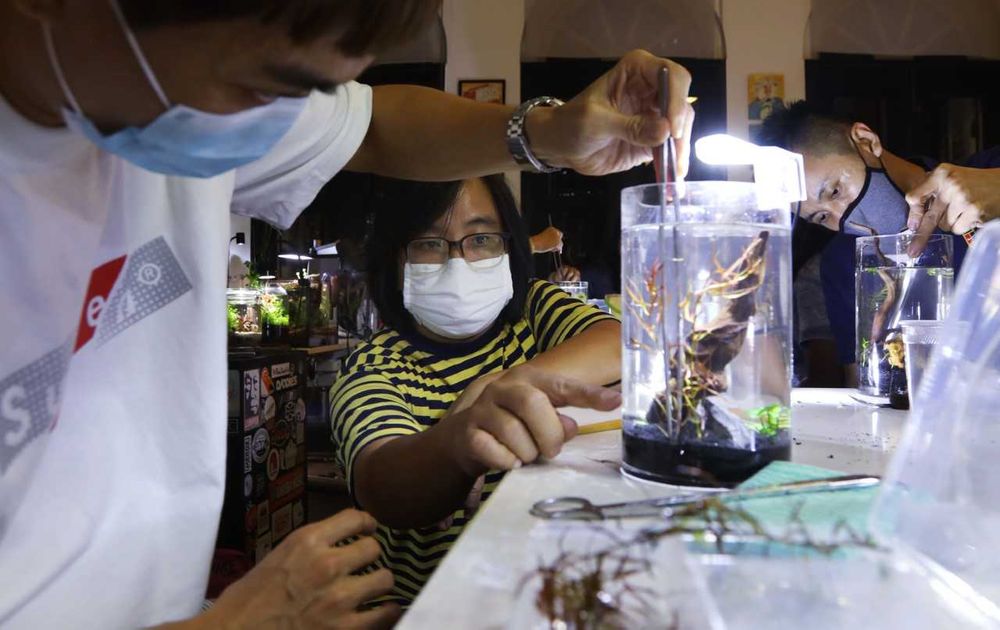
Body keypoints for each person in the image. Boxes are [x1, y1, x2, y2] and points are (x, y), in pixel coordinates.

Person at [0, 0, 694, 627]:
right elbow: (390, 482)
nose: (286, 123)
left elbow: (373, 128)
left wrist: (554, 132)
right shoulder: (376, 368)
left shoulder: (164, 88)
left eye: (312, 93)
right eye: (268, 87)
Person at [328, 175, 621, 605]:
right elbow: (383, 486)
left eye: (480, 239)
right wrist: (458, 445)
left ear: (509, 247)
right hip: (436, 608)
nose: (458, 261)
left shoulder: (534, 313)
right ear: (395, 259)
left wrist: (501, 383)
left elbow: (619, 343)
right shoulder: (374, 367)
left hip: (546, 595)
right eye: (429, 243)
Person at [759, 101, 999, 383]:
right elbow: (863, 387)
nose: (845, 219)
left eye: (835, 191)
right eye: (822, 216)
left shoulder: (988, 174)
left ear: (866, 141)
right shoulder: (844, 265)